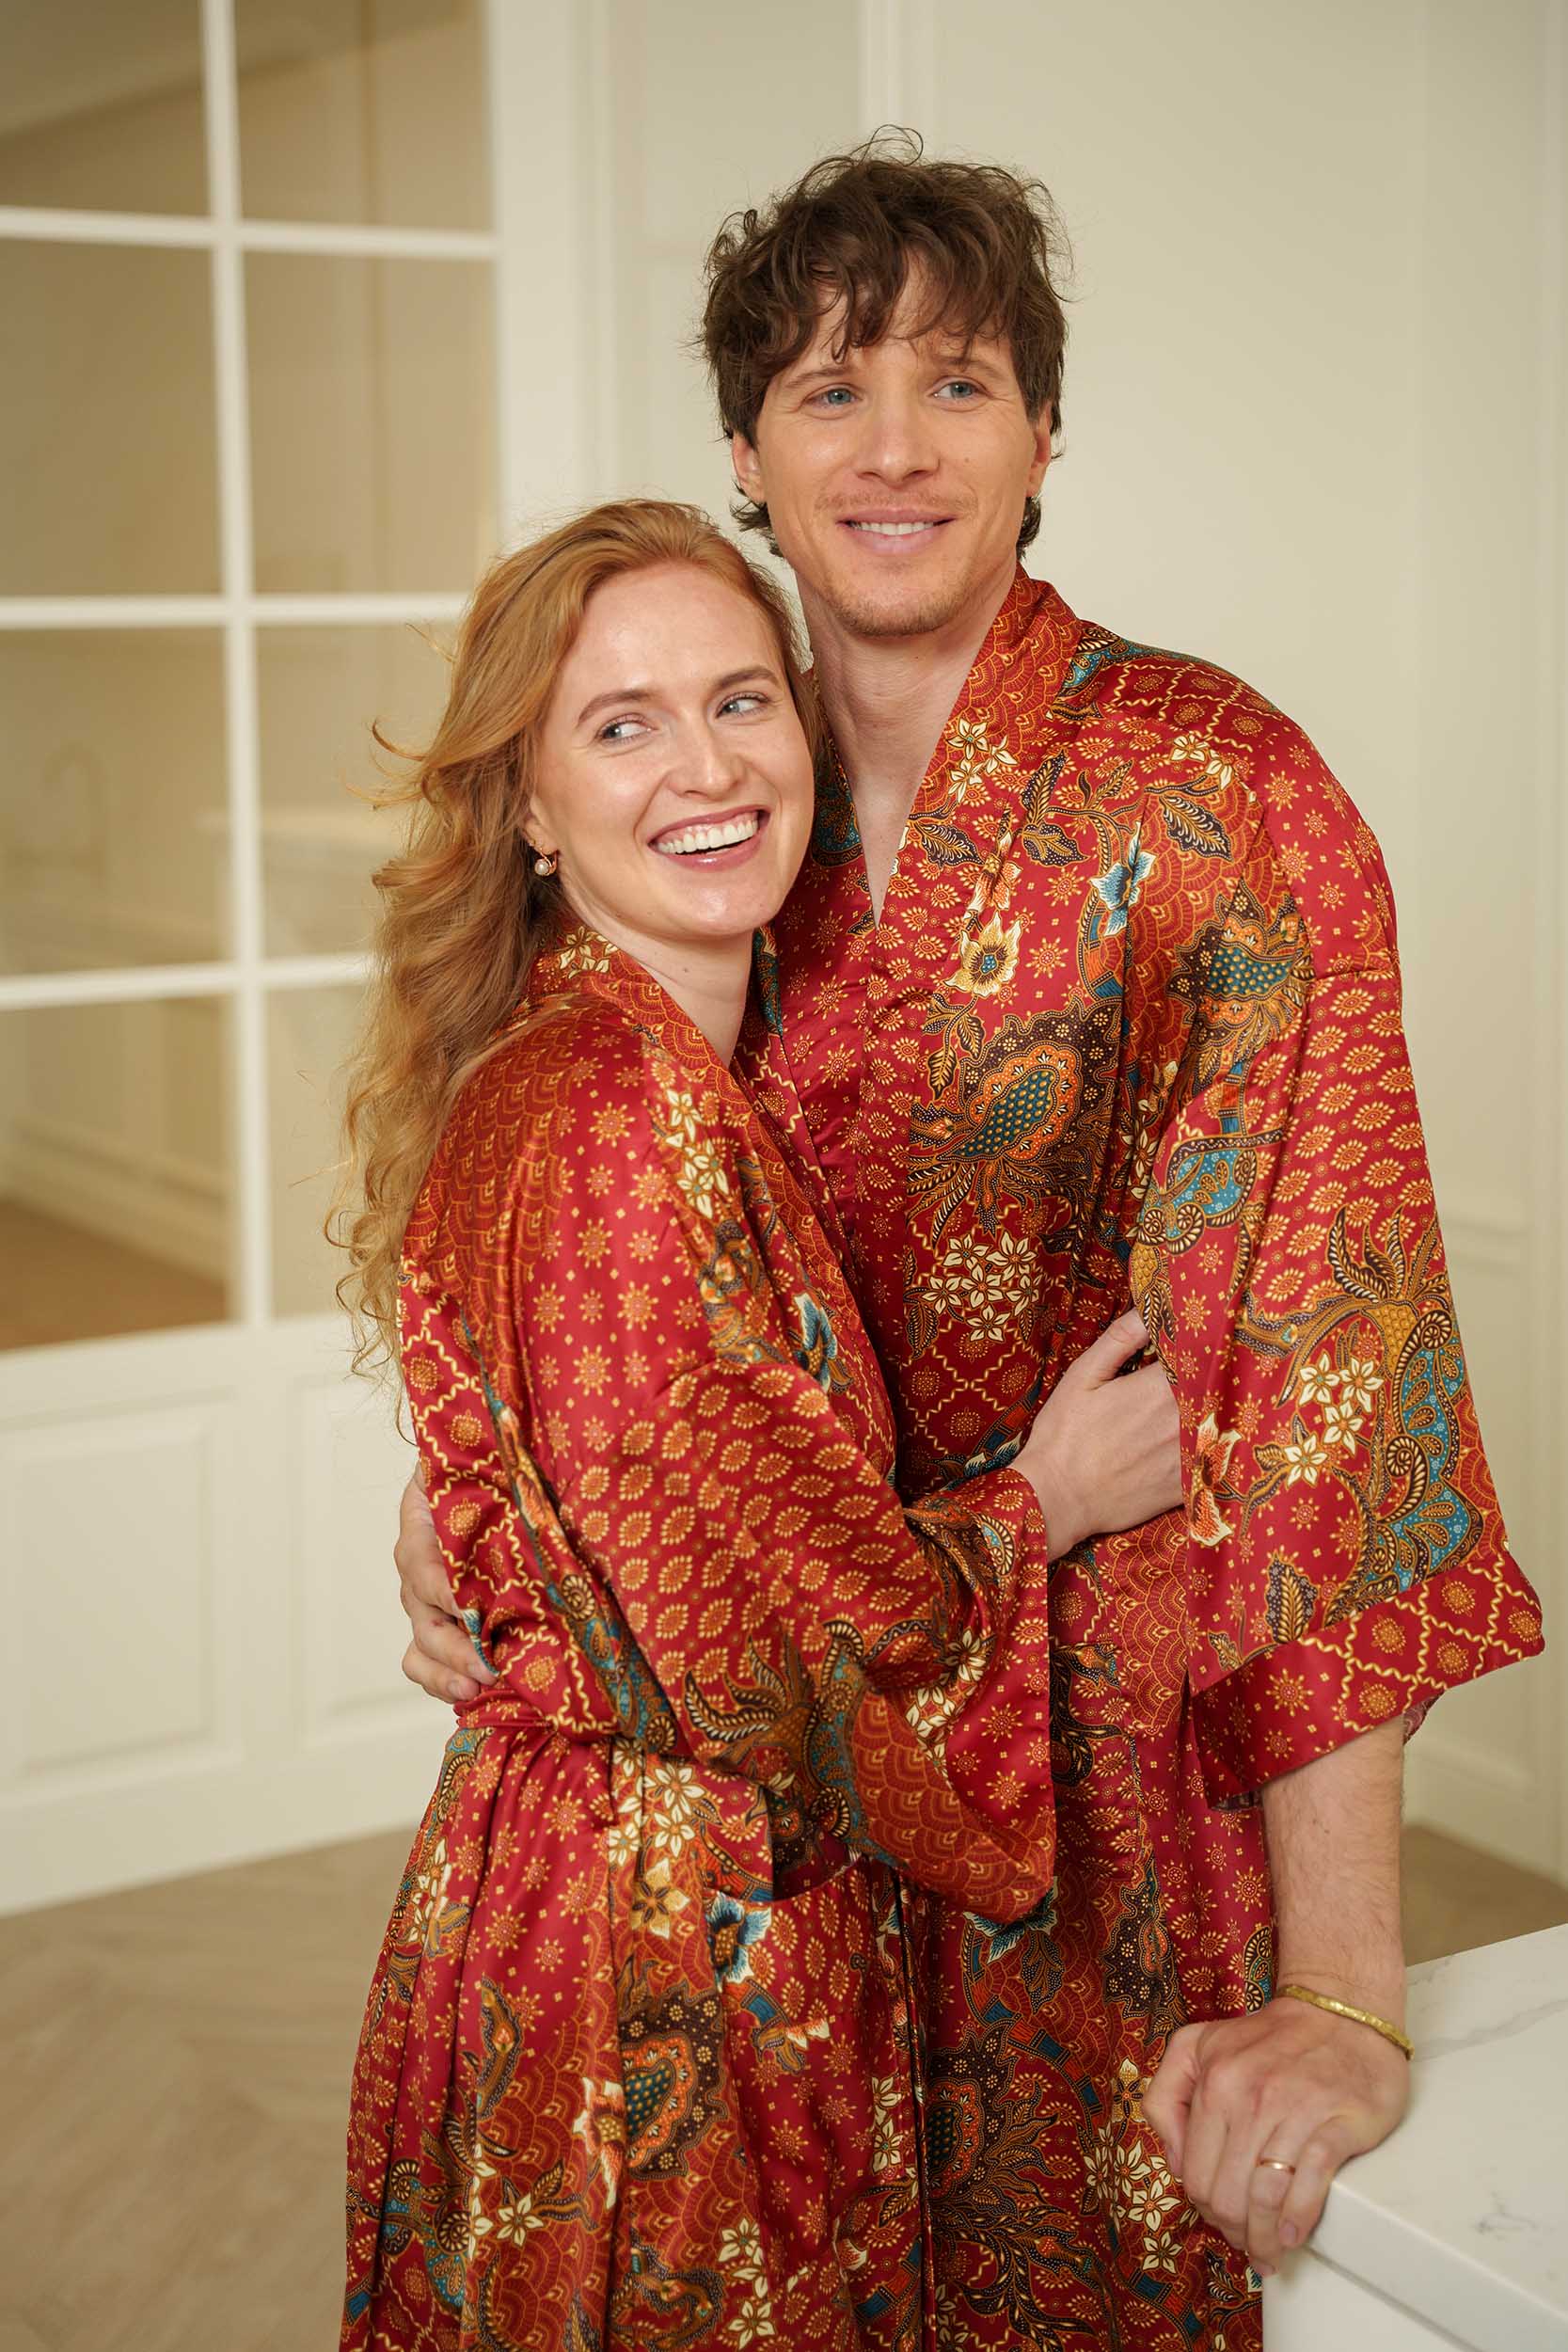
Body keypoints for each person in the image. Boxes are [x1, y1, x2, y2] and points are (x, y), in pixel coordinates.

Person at [392, 137, 1547, 2348]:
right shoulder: (719, 805)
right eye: (831, 392)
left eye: (960, 382)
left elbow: (1337, 1403)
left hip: (1105, 1810)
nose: (897, 445)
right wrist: (479, 1498)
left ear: (1046, 435)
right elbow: (583, 1225)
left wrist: (1345, 1989)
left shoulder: (1217, 804)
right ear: (746, 453)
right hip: (752, 1856)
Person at [336, 498, 1184, 2349]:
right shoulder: (618, 1122)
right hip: (670, 1942)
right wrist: (1052, 1491)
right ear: (533, 809)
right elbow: (774, 1645)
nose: (707, 766)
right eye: (622, 723)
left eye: (741, 701)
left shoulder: (619, 1068)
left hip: (595, 1883)